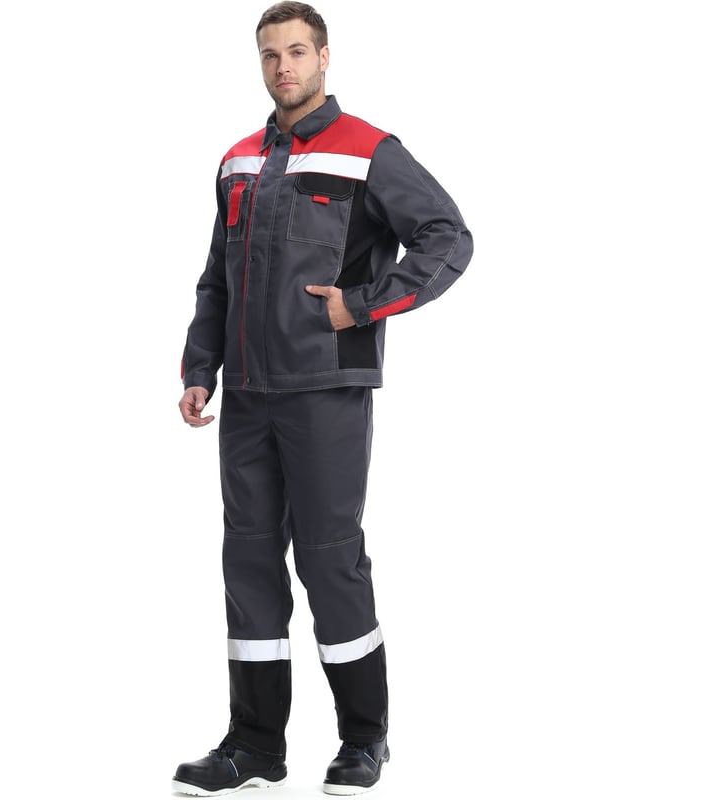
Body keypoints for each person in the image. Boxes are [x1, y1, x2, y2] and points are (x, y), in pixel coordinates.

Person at [172, 2, 472, 795]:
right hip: (248, 396)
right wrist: (200, 368)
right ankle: (254, 744)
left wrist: (362, 305)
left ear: (325, 56)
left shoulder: (369, 150)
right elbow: (217, 277)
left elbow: (448, 236)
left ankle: (365, 738)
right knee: (248, 559)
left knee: (330, 558)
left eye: (298, 52)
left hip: (326, 390)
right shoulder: (237, 161)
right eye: (271, 54)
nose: (284, 67)